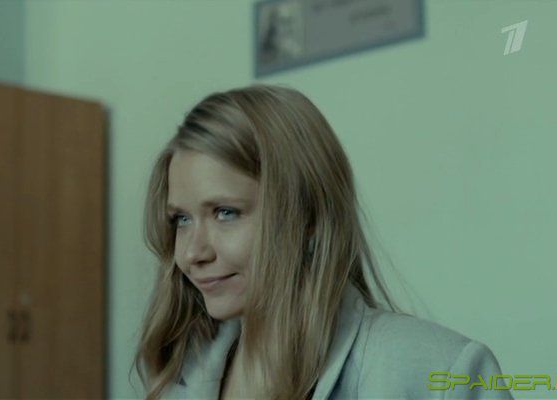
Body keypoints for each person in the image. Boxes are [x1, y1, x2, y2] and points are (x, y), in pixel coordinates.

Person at [133, 85, 513, 400]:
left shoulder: (439, 372)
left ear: (310, 217)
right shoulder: (178, 380)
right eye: (181, 219)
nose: (192, 253)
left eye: (225, 213)